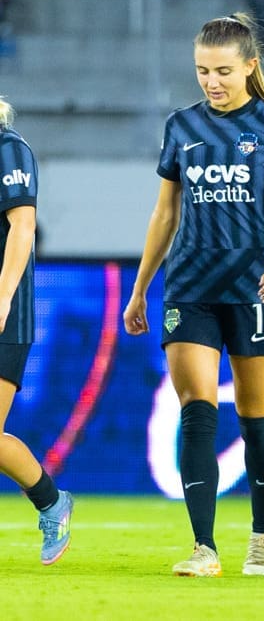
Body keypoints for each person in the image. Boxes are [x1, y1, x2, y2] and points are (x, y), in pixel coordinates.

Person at [122, 13, 264, 577]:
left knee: (257, 418)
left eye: (224, 71)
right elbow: (165, 214)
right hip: (190, 288)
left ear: (250, 67)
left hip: (254, 287)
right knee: (198, 411)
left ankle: (262, 537)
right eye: (204, 70)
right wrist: (139, 290)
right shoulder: (181, 126)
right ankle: (204, 547)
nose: (213, 81)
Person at [0, 95, 74, 566]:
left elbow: (22, 226)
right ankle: (51, 502)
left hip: (6, 315)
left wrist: (3, 296)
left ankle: (51, 501)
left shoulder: (9, 149)